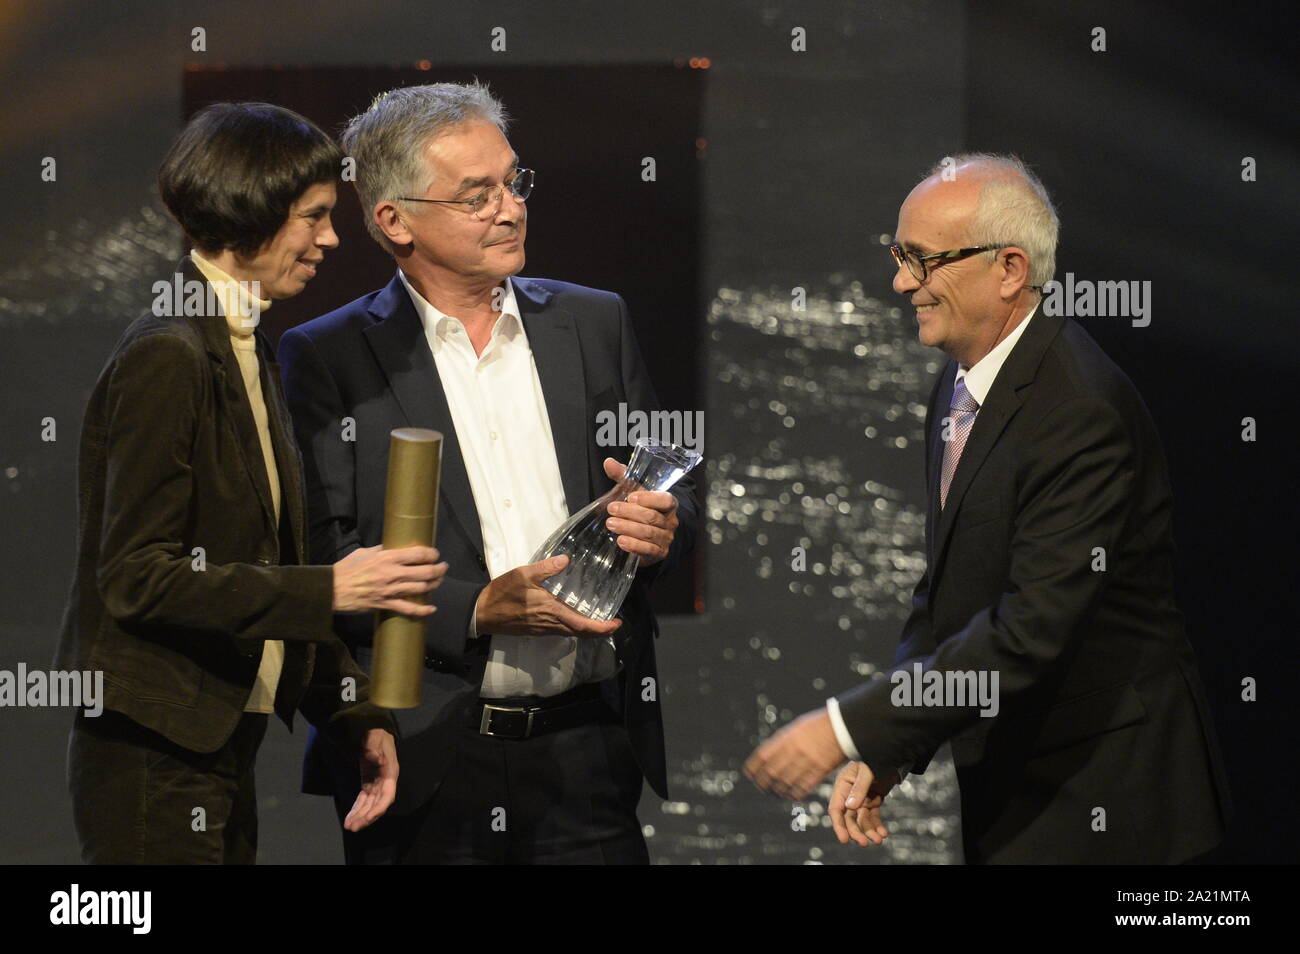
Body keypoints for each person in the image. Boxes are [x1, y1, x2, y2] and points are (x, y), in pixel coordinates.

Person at [744, 154, 1231, 863]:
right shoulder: (960, 385)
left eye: (923, 260)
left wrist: (848, 727)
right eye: (899, 254)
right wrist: (893, 743)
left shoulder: (1078, 410)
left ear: (1009, 269)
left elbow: (1029, 630)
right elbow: (948, 590)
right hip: (1018, 787)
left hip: (1109, 802)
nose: (901, 281)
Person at [279, 82, 698, 864]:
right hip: (426, 756)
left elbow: (669, 495)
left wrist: (663, 529)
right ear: (394, 221)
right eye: (477, 195)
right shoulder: (328, 356)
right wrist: (478, 609)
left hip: (589, 753)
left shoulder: (593, 321)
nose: (509, 209)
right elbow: (322, 562)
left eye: (513, 183)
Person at [56, 102, 447, 864]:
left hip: (212, 749)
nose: (332, 239)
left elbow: (261, 559)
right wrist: (331, 590)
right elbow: (138, 578)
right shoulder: (168, 355)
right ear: (251, 209)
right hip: (153, 757)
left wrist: (352, 713)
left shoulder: (247, 346)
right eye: (314, 217)